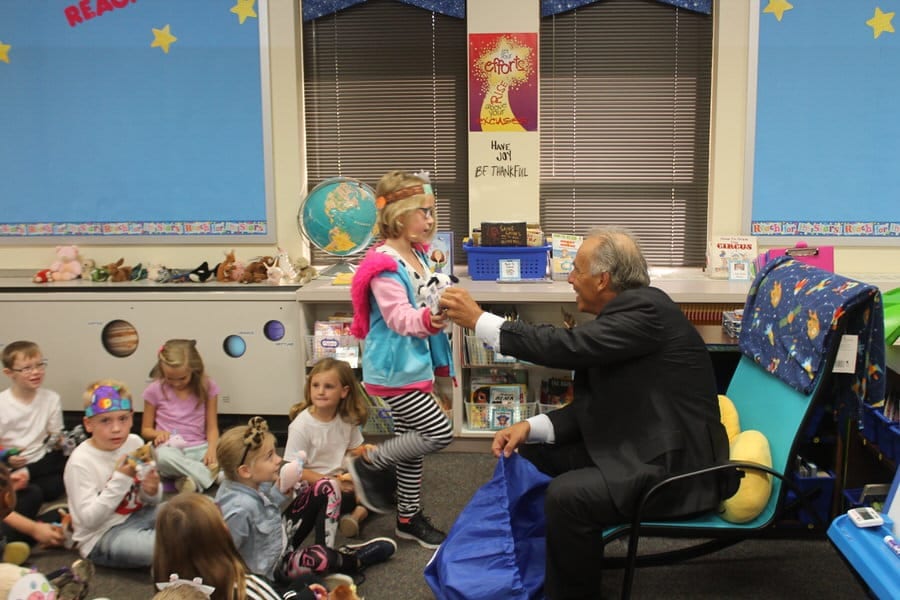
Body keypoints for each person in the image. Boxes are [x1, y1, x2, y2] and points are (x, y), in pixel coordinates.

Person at [439, 227, 733, 599]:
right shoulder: (630, 314)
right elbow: (598, 406)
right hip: (641, 444)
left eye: (577, 271)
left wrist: (480, 320)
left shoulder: (646, 312)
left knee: (568, 497)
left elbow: (568, 347)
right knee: (530, 452)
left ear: (603, 279)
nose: (571, 279)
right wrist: (530, 426)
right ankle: (540, 564)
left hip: (678, 471)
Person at [346, 169, 455, 549]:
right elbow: (398, 317)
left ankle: (408, 518)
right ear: (398, 214)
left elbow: (425, 296)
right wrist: (428, 319)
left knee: (412, 444)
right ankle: (369, 463)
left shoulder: (417, 254)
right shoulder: (384, 264)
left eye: (430, 211)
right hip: (394, 370)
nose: (429, 219)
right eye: (422, 211)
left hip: (414, 364)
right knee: (438, 432)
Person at [215, 417, 396, 588]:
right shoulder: (237, 510)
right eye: (270, 456)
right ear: (245, 471)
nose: (278, 459)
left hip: (276, 539)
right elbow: (223, 560)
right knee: (320, 558)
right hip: (272, 570)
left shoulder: (247, 481)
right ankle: (354, 560)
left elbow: (263, 514)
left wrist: (278, 493)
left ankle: (327, 562)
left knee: (327, 486)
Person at [154, 493, 347, 600]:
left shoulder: (167, 587)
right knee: (311, 583)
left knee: (303, 581)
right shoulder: (244, 587)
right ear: (219, 536)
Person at [64, 379, 162, 568]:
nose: (116, 428)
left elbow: (150, 500)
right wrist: (121, 478)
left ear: (132, 418)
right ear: (88, 424)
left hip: (139, 513)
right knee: (162, 548)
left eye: (123, 419)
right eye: (105, 420)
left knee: (195, 510)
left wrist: (152, 490)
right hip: (102, 534)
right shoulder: (80, 462)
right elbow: (90, 521)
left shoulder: (134, 442)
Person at [286, 358, 378, 538]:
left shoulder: (347, 419)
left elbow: (352, 451)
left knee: (384, 473)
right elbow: (294, 470)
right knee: (369, 494)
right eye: (315, 385)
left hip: (340, 478)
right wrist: (334, 483)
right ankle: (357, 513)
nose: (320, 391)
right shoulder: (301, 426)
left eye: (328, 386)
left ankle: (354, 517)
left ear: (344, 391)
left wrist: (365, 453)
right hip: (314, 488)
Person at [0, 340, 68, 551]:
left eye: (40, 365)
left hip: (39, 464)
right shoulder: (2, 404)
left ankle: (25, 529)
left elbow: (56, 439)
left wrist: (61, 442)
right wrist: (7, 457)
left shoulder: (51, 399)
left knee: (64, 467)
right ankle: (24, 534)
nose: (36, 372)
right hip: (10, 469)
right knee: (34, 493)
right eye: (27, 368)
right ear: (9, 373)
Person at [141, 339, 221, 492]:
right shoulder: (153, 390)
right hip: (170, 449)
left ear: (194, 370)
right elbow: (145, 430)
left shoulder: (207, 386)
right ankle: (210, 476)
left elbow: (212, 428)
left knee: (230, 453)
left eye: (182, 378)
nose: (176, 383)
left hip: (199, 447)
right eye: (170, 378)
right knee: (162, 458)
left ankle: (188, 481)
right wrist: (158, 434)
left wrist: (212, 449)